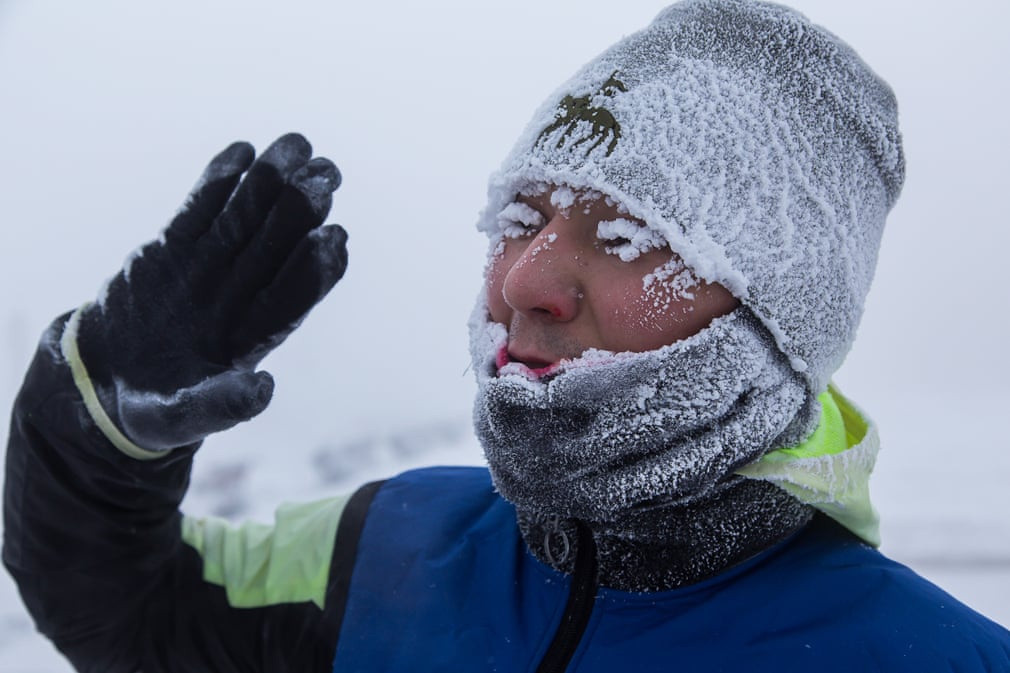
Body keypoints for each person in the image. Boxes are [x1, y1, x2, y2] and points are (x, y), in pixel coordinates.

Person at [4, 0, 1010, 671]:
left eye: (625, 233)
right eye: (520, 218)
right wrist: (103, 416)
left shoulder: (925, 656)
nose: (524, 282)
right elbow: (134, 610)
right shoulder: (383, 547)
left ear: (781, 309)